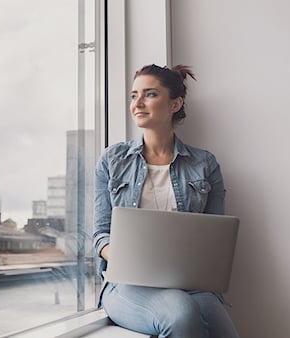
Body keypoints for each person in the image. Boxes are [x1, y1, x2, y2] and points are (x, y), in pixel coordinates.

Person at [93, 64, 239, 338]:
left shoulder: (205, 164)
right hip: (126, 285)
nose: (137, 103)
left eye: (150, 94)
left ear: (175, 104)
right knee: (180, 313)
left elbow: (216, 240)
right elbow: (100, 236)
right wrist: (128, 259)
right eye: (134, 95)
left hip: (190, 283)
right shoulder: (112, 160)